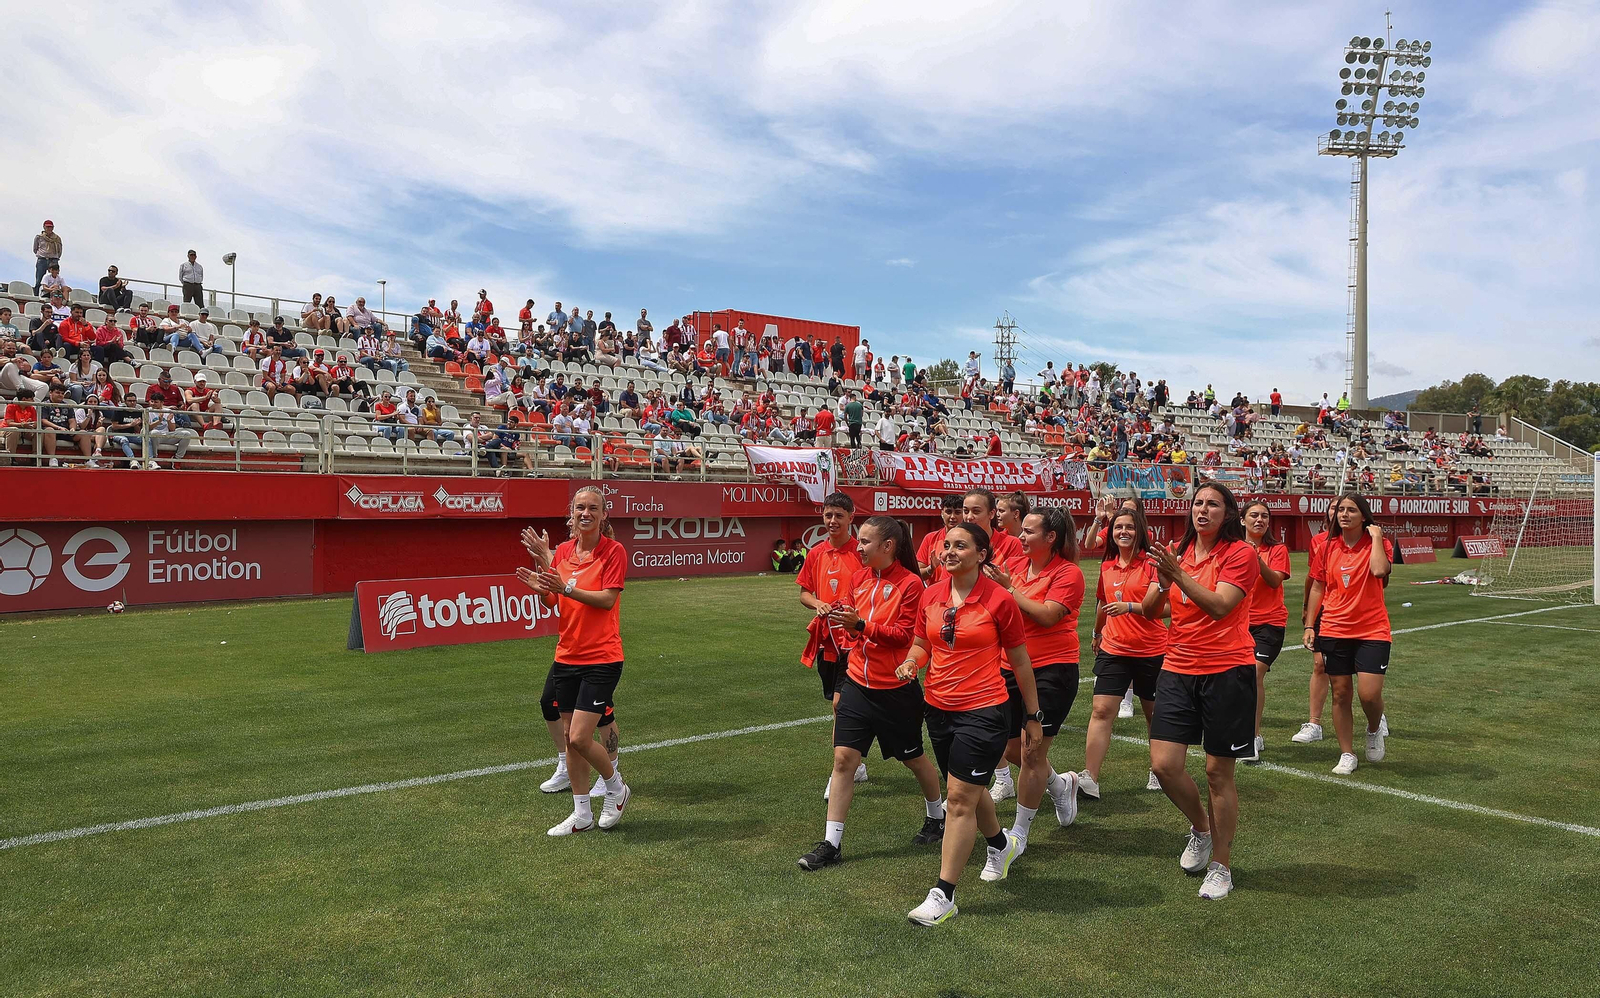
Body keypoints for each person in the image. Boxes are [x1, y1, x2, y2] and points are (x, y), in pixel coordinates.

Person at [896, 522, 1038, 926]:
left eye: (961, 545)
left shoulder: (999, 600)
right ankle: (1000, 845)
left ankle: (943, 894)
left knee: (957, 799)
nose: (950, 550)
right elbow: (923, 643)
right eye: (946, 544)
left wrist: (1033, 717)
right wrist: (911, 661)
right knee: (969, 792)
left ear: (981, 554)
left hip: (985, 711)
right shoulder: (931, 594)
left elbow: (1021, 661)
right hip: (938, 709)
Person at [798, 517, 947, 870]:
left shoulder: (912, 584)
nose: (859, 547)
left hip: (896, 690)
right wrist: (847, 629)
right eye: (860, 541)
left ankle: (936, 816)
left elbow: (906, 635)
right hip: (857, 685)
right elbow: (852, 633)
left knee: (913, 759)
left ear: (888, 546)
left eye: (865, 541)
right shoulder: (858, 578)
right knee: (843, 760)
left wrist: (862, 626)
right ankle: (831, 844)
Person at [1145, 482, 1260, 901]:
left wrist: (1178, 575)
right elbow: (1151, 612)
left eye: (1213, 504)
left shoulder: (1240, 553)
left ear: (1228, 513)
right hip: (1177, 668)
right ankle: (1201, 828)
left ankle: (1222, 866)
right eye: (1197, 503)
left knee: (1217, 772)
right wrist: (1161, 583)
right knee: (1163, 765)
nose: (1203, 510)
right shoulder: (1179, 551)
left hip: (1227, 670)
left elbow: (1219, 605)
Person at [518, 486, 633, 835]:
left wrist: (564, 587)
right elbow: (553, 603)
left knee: (582, 737)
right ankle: (581, 813)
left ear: (603, 514)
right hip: (567, 654)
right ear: (571, 513)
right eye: (580, 507)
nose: (586, 513)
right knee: (569, 738)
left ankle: (616, 788)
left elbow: (606, 600)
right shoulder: (564, 551)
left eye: (592, 508)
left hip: (602, 656)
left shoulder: (614, 552)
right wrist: (544, 588)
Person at [982, 508, 1085, 859]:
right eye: (1021, 531)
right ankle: (1060, 784)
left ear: (1050, 538)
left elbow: (1047, 615)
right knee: (1007, 747)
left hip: (1052, 670)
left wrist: (1008, 589)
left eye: (1028, 532)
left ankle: (1019, 832)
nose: (1020, 537)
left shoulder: (1068, 573)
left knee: (1031, 751)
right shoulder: (1020, 570)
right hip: (1010, 668)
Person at [1302, 494, 1392, 775]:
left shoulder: (1379, 544)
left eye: (1351, 510)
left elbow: (1379, 570)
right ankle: (1347, 753)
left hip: (1373, 629)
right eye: (1340, 509)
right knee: (1340, 694)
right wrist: (1309, 625)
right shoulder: (1327, 547)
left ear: (1363, 516)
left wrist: (1376, 537)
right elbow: (1318, 587)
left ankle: (1375, 728)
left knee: (1369, 695)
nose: (1344, 514)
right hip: (1333, 628)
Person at [1081, 504, 1166, 799]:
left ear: (1140, 530)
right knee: (1101, 710)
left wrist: (1132, 607)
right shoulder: (1106, 567)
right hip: (1113, 649)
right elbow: (1104, 604)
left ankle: (1159, 770)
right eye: (1118, 527)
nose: (1123, 532)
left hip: (1152, 650)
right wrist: (1096, 632)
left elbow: (1165, 609)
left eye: (1129, 527)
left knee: (1154, 715)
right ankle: (1090, 778)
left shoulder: (1152, 565)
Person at [797, 492, 867, 799]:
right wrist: (818, 604)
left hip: (855, 641)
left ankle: (841, 768)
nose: (832, 521)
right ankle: (857, 762)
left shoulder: (862, 553)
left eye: (839, 515)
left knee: (841, 703)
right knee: (837, 704)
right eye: (828, 515)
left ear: (852, 517)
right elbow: (804, 594)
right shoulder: (816, 554)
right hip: (827, 641)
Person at [1241, 500, 1291, 764]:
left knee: (1254, 673)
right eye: (1254, 516)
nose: (1259, 520)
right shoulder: (1233, 548)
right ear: (1242, 520)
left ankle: (1252, 736)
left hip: (1270, 622)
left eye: (1264, 516)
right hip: (1239, 623)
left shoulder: (1277, 549)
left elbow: (1273, 581)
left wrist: (1255, 557)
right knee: (1239, 678)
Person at [1291, 505, 1341, 746]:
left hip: (1353, 614)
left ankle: (1375, 716)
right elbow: (1314, 578)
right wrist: (1306, 608)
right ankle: (1314, 722)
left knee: (1356, 671)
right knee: (1320, 664)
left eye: (1343, 508)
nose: (1338, 512)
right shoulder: (1319, 542)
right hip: (1324, 609)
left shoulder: (1370, 540)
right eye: (1334, 508)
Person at [962, 488, 1023, 575]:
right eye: (966, 511)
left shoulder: (1011, 544)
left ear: (991, 514)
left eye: (976, 511)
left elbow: (1015, 581)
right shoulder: (956, 544)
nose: (969, 517)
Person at [916, 495, 964, 583]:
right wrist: (930, 568)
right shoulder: (930, 538)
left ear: (964, 514)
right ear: (942, 513)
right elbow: (917, 574)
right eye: (948, 512)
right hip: (935, 593)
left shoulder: (971, 539)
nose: (952, 516)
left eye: (957, 512)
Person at [33, 220, 62, 294]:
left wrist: (56, 257)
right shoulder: (39, 237)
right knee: (39, 280)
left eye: (51, 227)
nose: (49, 228)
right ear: (44, 227)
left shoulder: (57, 238)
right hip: (42, 259)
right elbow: (35, 249)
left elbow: (60, 249)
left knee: (55, 279)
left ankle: (54, 295)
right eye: (48, 227)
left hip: (53, 259)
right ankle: (36, 295)